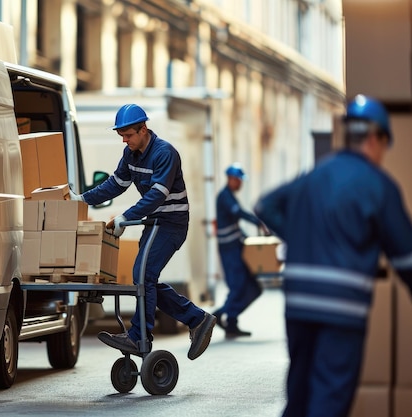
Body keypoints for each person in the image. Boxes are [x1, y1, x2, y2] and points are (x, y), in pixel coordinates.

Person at [254, 94, 412, 417]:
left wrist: (299, 236)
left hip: (298, 303)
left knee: (298, 396)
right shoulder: (379, 185)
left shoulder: (315, 175)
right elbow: (407, 259)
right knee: (329, 398)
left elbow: (264, 206)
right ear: (374, 138)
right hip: (342, 308)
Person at [70, 103, 216, 360]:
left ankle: (140, 336)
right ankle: (197, 319)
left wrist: (125, 218)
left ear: (143, 129)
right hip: (154, 223)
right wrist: (81, 200)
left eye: (128, 135)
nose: (125, 141)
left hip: (171, 224)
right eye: (121, 136)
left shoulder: (165, 153)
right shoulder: (131, 154)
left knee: (143, 275)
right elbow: (114, 185)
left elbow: (156, 197)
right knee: (143, 278)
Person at [213, 163, 267, 338]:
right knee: (237, 287)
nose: (241, 184)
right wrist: (258, 222)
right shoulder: (225, 197)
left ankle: (231, 323)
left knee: (253, 288)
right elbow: (238, 214)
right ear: (231, 179)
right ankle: (217, 316)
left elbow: (233, 223)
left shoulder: (230, 196)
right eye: (239, 180)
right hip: (229, 249)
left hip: (237, 246)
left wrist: (248, 239)